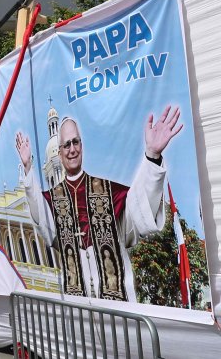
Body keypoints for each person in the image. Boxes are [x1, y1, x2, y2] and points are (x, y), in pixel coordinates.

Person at [15, 107, 180, 301]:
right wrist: (28, 170)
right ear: (59, 153)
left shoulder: (110, 192)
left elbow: (139, 209)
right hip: (78, 306)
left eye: (75, 142)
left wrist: (152, 155)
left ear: (82, 146)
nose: (72, 149)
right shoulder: (53, 201)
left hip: (117, 306)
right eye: (66, 145)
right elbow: (40, 215)